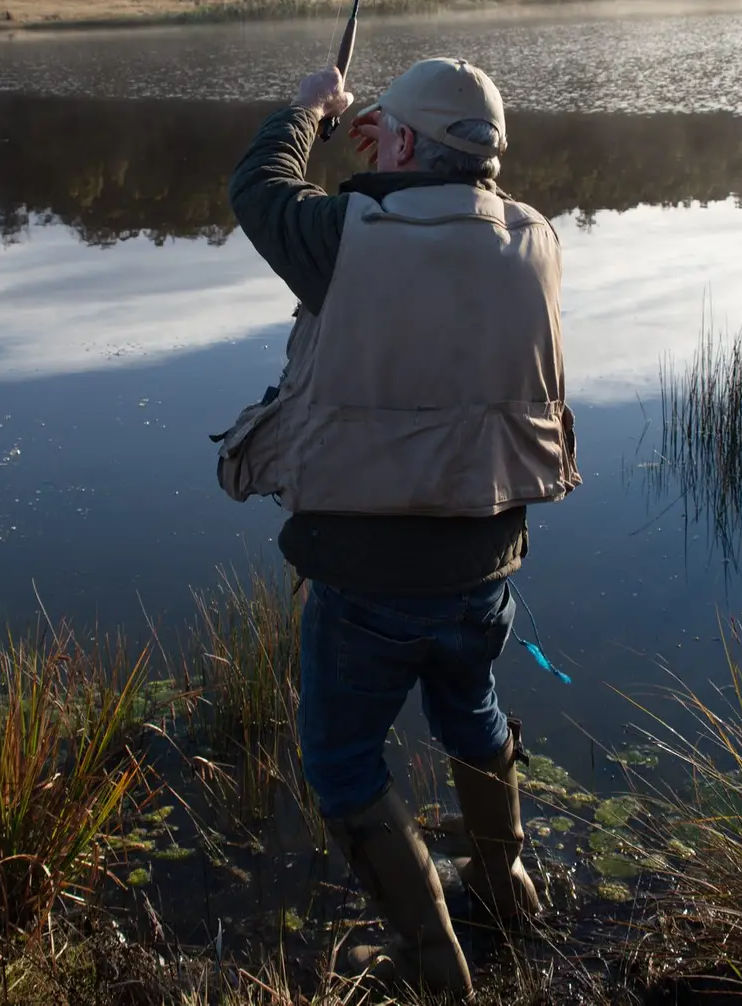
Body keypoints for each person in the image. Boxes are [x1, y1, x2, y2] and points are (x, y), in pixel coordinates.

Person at [218, 56, 581, 995]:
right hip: (484, 565)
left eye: (389, 129)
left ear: (407, 142)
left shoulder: (346, 239)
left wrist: (310, 112)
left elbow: (258, 190)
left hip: (367, 576)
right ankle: (504, 882)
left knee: (341, 765)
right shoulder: (536, 240)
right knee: (470, 711)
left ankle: (435, 964)